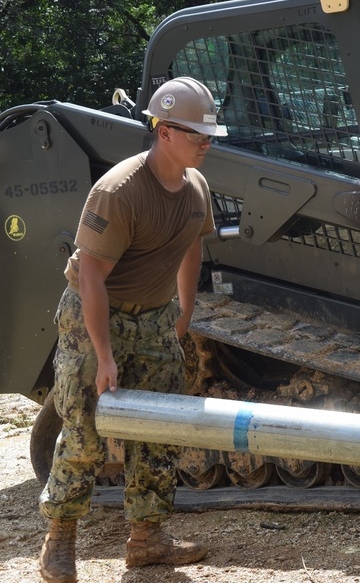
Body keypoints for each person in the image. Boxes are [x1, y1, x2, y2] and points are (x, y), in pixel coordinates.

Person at [38, 77, 226, 583]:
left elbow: (191, 245)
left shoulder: (195, 185)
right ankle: (60, 541)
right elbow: (92, 280)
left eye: (210, 137)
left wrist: (184, 311)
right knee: (83, 434)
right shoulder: (118, 191)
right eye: (197, 136)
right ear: (164, 131)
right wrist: (104, 357)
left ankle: (147, 540)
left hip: (155, 319)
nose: (206, 144)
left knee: (158, 433)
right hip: (95, 319)